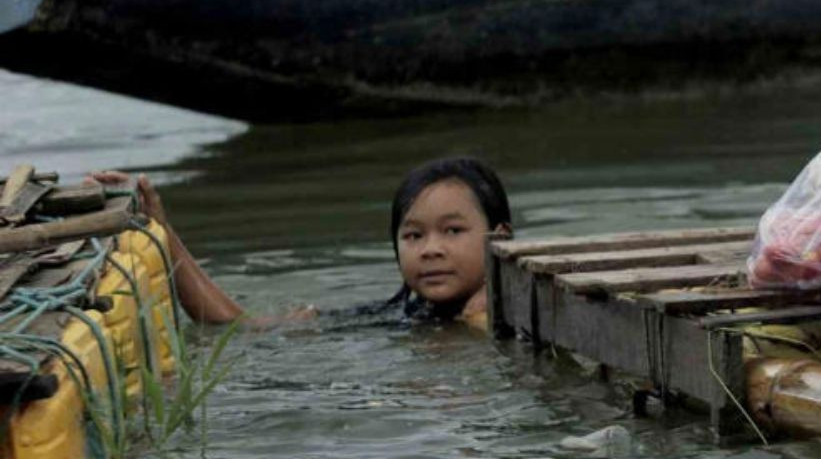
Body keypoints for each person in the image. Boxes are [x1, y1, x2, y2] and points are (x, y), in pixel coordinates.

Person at [90, 156, 513, 330]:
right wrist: (161, 231)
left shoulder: (514, 320)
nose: (430, 249)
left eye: (453, 231)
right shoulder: (400, 316)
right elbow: (238, 328)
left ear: (500, 238)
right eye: (413, 235)